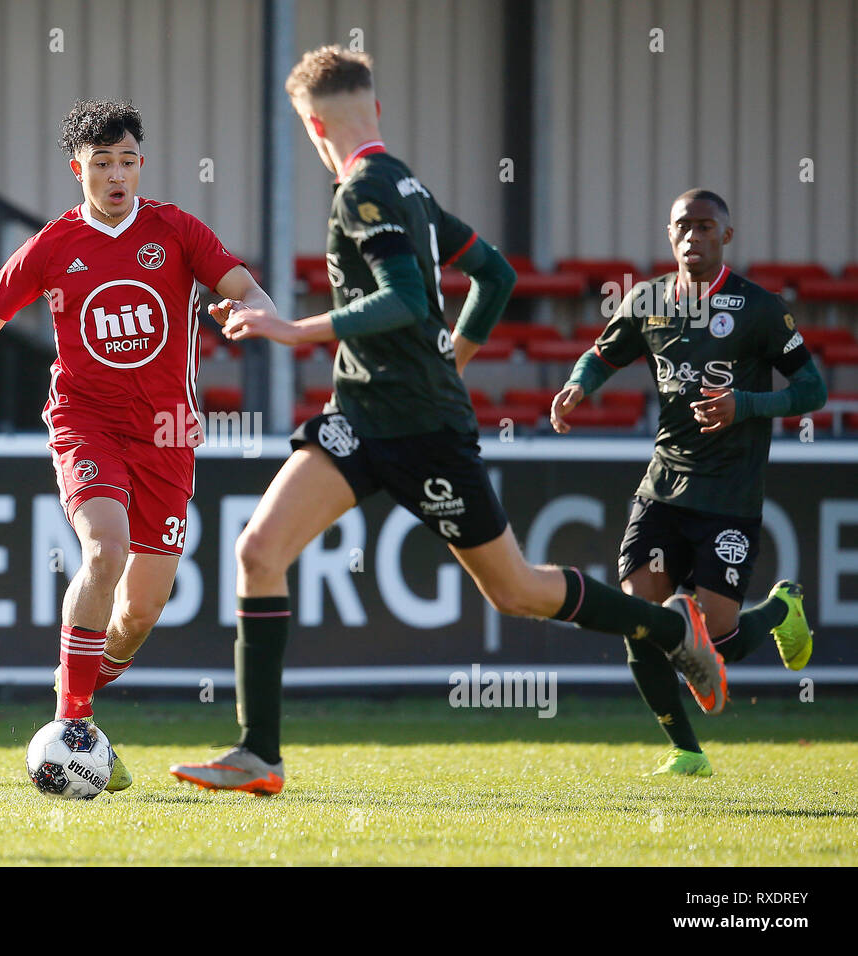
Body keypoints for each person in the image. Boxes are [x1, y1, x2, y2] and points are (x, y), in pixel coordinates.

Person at [170, 46, 728, 796]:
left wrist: (294, 330)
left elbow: (404, 296)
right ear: (375, 109)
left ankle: (670, 630)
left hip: (424, 430)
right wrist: (452, 354)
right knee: (258, 549)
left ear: (309, 122)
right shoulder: (407, 183)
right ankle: (259, 755)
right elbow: (495, 273)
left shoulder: (362, 192)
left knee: (517, 592)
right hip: (361, 417)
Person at [0, 99, 276, 793]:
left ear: (141, 164)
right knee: (104, 549)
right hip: (86, 425)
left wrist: (245, 309)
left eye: (128, 161)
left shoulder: (175, 231)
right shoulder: (53, 247)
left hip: (168, 436)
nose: (117, 175)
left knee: (140, 614)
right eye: (102, 162)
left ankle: (77, 680)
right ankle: (72, 722)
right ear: (76, 166)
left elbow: (244, 285)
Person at [548, 189, 822, 776]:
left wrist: (743, 404)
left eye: (705, 227)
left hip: (729, 495)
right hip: (664, 487)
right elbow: (603, 353)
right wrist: (578, 385)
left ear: (727, 234)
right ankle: (686, 750)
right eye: (682, 228)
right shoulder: (647, 301)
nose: (692, 237)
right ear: (669, 236)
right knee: (639, 619)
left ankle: (781, 609)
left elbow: (812, 390)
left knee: (718, 641)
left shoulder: (759, 309)